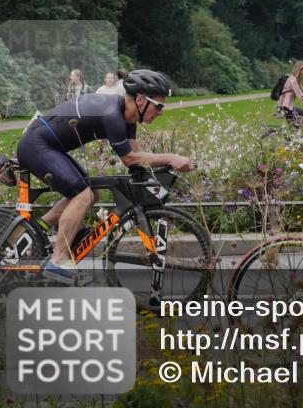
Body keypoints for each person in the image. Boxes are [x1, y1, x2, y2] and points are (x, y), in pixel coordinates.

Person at [15, 69, 195, 282]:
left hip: (48, 146)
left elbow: (137, 158)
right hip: (37, 145)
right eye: (158, 105)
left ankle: (37, 230)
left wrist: (155, 171)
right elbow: (130, 158)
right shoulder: (112, 114)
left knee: (93, 194)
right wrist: (171, 157)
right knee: (82, 195)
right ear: (139, 100)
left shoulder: (128, 119)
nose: (161, 111)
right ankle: (58, 260)